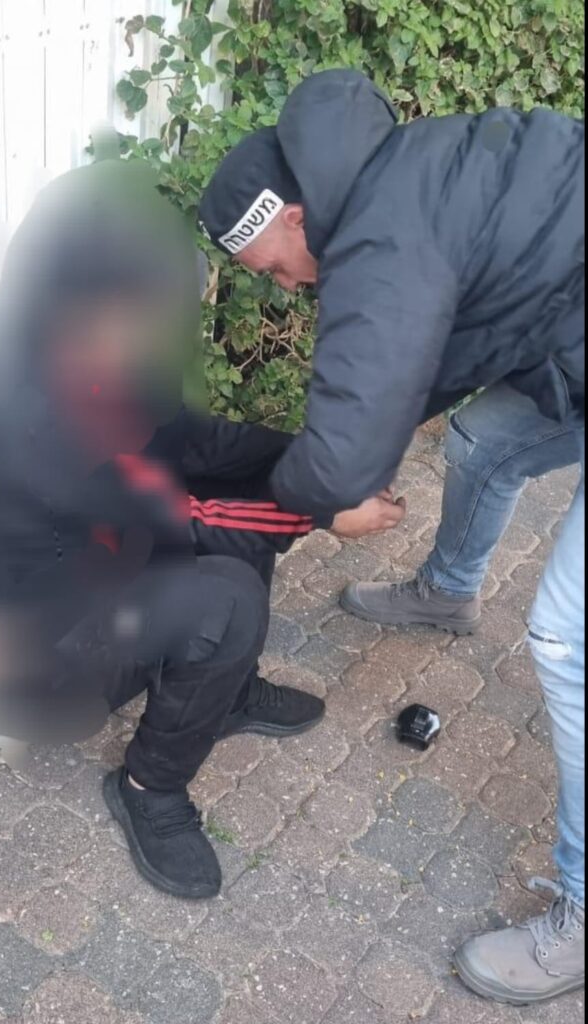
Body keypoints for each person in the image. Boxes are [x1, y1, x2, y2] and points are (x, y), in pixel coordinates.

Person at [0, 159, 398, 901]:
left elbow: (189, 440)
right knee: (226, 596)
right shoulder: (8, 426)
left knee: (254, 495)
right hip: (34, 648)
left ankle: (225, 693)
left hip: (91, 558)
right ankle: (149, 787)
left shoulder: (103, 349)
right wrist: (323, 510)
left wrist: (317, 465)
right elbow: (163, 517)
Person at [198, 68, 584, 1003]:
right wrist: (365, 451)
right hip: (569, 337)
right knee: (485, 440)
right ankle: (448, 593)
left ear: (293, 216)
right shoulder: (400, 178)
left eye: (273, 269)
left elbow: (335, 460)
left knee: (566, 635)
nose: (289, 288)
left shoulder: (379, 235)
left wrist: (327, 498)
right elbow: (438, 352)